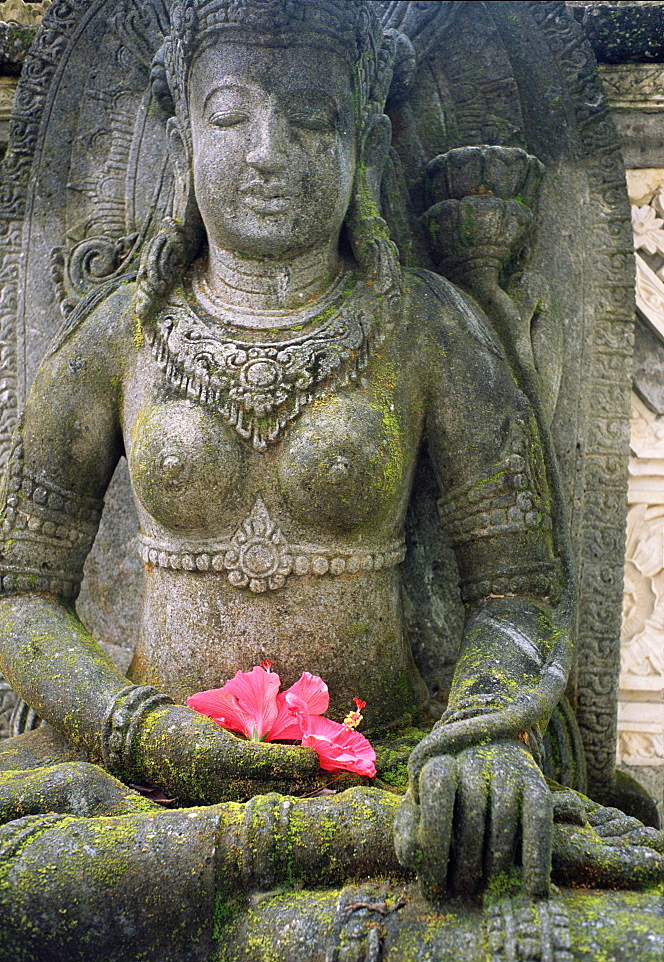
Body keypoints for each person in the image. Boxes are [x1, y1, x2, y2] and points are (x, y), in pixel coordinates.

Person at [0, 0, 624, 903]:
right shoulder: (121, 338)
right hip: (137, 787)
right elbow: (19, 590)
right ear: (182, 131)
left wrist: (481, 738)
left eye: (313, 117)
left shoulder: (426, 328)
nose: (268, 150)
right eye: (230, 114)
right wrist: (137, 732)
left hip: (386, 778)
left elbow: (522, 590)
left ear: (366, 138)